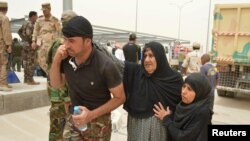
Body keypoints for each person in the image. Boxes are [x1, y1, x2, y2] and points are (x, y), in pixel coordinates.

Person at [49, 16, 126, 140]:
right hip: (74, 118)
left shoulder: (105, 65)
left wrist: (90, 115)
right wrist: (57, 59)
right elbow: (56, 84)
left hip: (98, 123)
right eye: (65, 40)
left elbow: (120, 97)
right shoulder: (66, 58)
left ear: (87, 41)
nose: (66, 45)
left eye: (72, 41)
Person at [123, 41, 183, 141]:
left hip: (159, 128)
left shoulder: (174, 79)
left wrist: (169, 115)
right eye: (145, 56)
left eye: (151, 56)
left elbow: (181, 106)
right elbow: (115, 64)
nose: (146, 60)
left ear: (160, 57)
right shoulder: (137, 73)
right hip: (136, 127)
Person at [45, 10, 78, 141]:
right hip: (61, 97)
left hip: (55, 95)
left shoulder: (57, 42)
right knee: (59, 132)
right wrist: (67, 99)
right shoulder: (63, 45)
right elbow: (62, 74)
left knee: (56, 129)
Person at [153, 73, 212, 141]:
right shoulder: (182, 105)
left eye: (189, 89)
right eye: (184, 86)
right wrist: (170, 116)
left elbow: (184, 137)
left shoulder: (202, 111)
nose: (183, 91)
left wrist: (166, 119)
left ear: (199, 92)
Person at [32, 3, 61, 75]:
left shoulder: (55, 20)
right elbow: (35, 31)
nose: (44, 12)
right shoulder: (39, 20)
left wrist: (59, 42)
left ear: (50, 9)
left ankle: (51, 76)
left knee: (52, 60)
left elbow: (59, 32)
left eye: (45, 10)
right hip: (41, 44)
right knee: (40, 60)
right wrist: (33, 41)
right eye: (43, 11)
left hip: (51, 44)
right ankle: (49, 73)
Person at [18, 11, 39, 85]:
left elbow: (19, 31)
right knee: (31, 62)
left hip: (24, 45)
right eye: (36, 16)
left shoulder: (24, 23)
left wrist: (23, 39)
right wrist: (33, 41)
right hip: (30, 46)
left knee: (26, 62)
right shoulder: (31, 24)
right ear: (33, 16)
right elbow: (29, 35)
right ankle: (30, 79)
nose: (37, 18)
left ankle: (26, 79)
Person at [0, 1, 12, 91]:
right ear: (6, 9)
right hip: (1, 43)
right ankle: (3, 84)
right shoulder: (4, 18)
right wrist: (9, 45)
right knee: (3, 63)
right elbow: (6, 32)